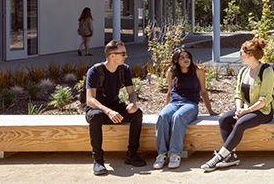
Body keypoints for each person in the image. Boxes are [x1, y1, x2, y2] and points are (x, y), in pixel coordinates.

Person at [201, 37, 274, 172]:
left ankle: (218, 157)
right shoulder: (243, 71)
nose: (239, 55)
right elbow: (238, 94)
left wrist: (246, 111)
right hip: (246, 108)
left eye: (241, 53)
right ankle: (231, 156)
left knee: (240, 123)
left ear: (250, 55)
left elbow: (265, 99)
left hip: (262, 110)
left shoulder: (267, 71)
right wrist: (240, 108)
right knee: (223, 119)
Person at [84, 40, 146, 175]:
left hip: (114, 107)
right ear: (112, 55)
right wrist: (108, 111)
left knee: (137, 114)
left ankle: (132, 154)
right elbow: (89, 100)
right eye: (123, 53)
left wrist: (133, 103)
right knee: (96, 116)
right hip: (97, 108)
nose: (126, 56)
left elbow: (131, 92)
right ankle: (98, 160)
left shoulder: (125, 69)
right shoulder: (94, 71)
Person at [153, 48, 217, 170]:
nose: (185, 59)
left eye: (187, 56)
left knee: (178, 117)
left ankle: (175, 154)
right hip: (174, 102)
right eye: (181, 57)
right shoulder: (171, 71)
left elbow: (203, 92)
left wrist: (210, 111)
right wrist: (165, 107)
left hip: (190, 104)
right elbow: (169, 91)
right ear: (176, 60)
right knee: (163, 116)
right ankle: (161, 154)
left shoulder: (198, 71)